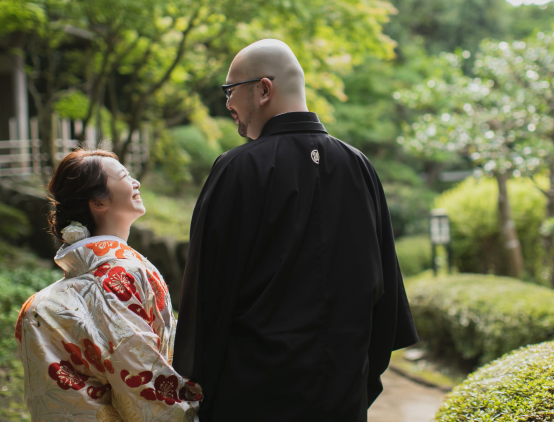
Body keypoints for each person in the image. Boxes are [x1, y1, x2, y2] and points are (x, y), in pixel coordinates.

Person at [173, 39, 418, 421]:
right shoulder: (359, 167)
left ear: (264, 89)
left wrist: (199, 384)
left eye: (230, 91)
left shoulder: (236, 170)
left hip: (253, 396)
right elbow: (384, 297)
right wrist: (355, 375)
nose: (227, 105)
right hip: (342, 394)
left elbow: (208, 294)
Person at [15, 149, 202, 421]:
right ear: (99, 202)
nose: (136, 182)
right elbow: (140, 378)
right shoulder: (119, 277)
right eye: (125, 176)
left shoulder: (38, 305)